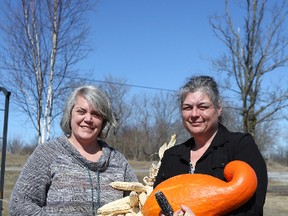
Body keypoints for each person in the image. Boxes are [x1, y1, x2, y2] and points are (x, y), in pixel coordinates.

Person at [9, 85, 138, 215]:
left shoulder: (118, 161)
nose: (88, 119)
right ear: (70, 114)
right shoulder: (47, 153)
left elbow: (140, 203)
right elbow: (19, 203)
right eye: (81, 111)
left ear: (103, 121)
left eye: (96, 114)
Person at [154, 75, 268, 215]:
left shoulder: (240, 146)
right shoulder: (171, 156)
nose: (194, 114)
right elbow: (155, 204)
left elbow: (253, 210)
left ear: (218, 108)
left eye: (203, 106)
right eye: (187, 107)